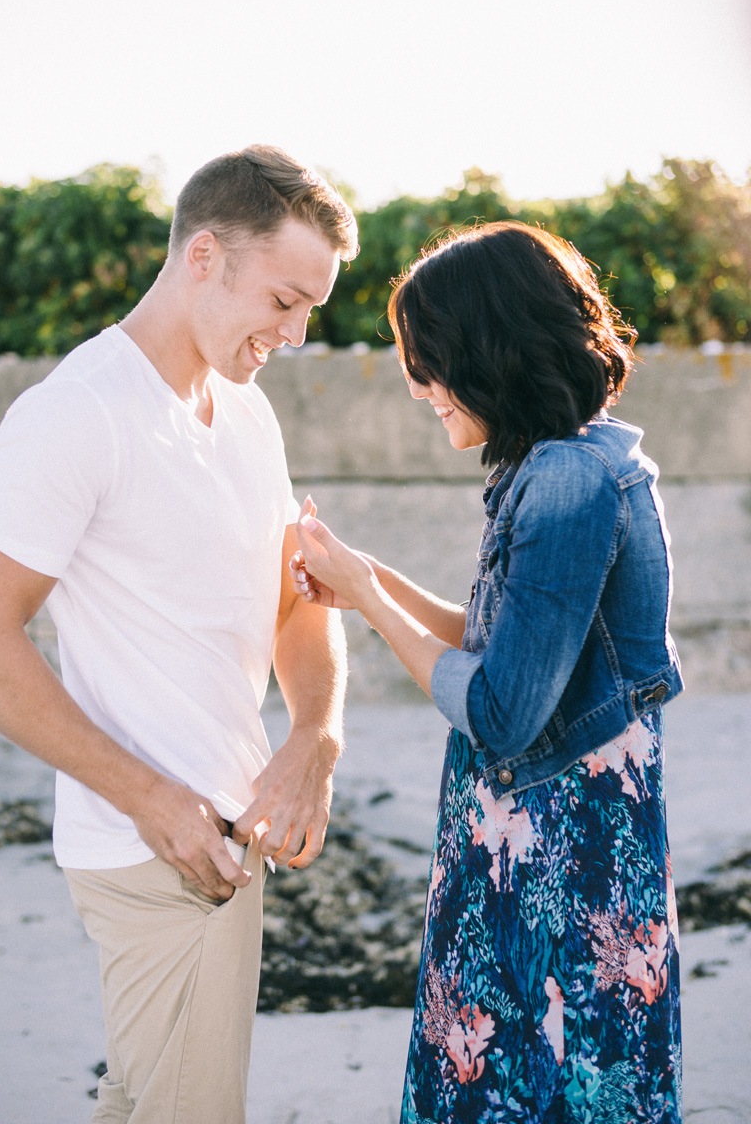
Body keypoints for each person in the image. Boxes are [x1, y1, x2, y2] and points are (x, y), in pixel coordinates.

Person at [0, 145, 357, 1124]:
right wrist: (153, 802)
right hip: (158, 850)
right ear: (205, 257)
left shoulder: (248, 415)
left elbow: (295, 595)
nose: (296, 334)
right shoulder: (75, 413)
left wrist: (315, 733)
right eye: (284, 300)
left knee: (145, 1105)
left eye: (311, 311)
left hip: (225, 838)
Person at [291, 221, 683, 1123]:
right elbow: (507, 640)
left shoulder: (569, 484)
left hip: (560, 868)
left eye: (428, 358)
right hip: (537, 848)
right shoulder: (564, 462)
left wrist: (372, 602)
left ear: (490, 347)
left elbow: (502, 709)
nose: (419, 385)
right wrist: (365, 580)